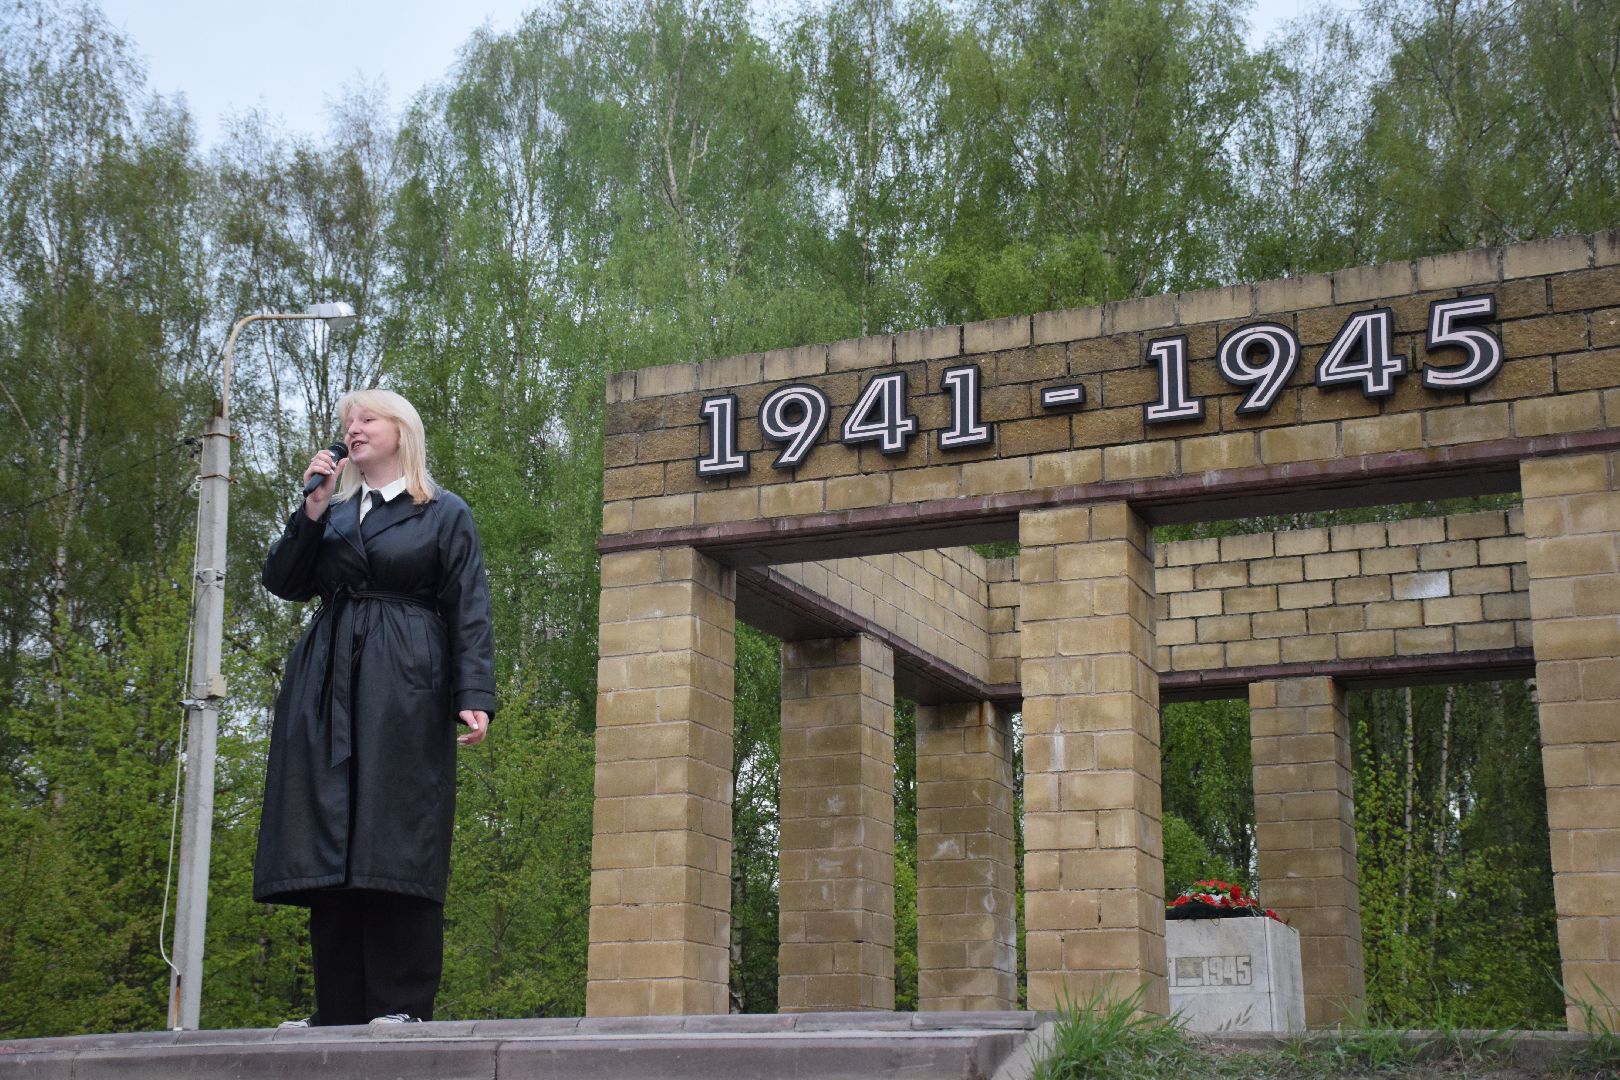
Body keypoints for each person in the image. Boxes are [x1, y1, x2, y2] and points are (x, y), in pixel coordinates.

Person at [254, 387, 496, 1027]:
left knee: (396, 832)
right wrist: (308, 510)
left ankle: (402, 1005)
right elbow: (284, 582)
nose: (351, 431)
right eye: (345, 423)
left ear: (401, 430)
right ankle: (336, 1011)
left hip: (405, 683)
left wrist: (473, 695)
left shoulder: (442, 512)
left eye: (366, 419)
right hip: (326, 683)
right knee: (329, 832)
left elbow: (467, 607)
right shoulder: (330, 513)